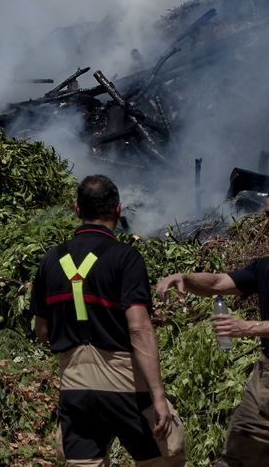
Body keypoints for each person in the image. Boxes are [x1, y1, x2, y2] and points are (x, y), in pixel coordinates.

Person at [32, 175, 183, 467]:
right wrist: (159, 395)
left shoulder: (50, 260)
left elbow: (42, 331)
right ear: (118, 209)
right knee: (166, 457)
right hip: (126, 385)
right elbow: (138, 328)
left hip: (75, 387)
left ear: (77, 209)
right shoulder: (125, 258)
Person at [157, 182, 269, 466]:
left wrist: (248, 327)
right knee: (234, 461)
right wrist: (185, 279)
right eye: (267, 215)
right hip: (265, 379)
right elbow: (218, 282)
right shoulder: (266, 266)